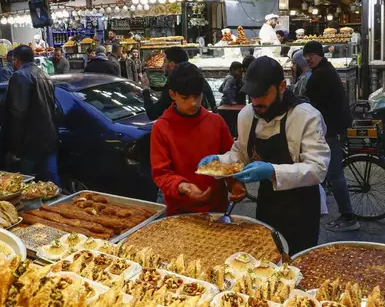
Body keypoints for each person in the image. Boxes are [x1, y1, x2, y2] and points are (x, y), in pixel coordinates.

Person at [199, 56, 330, 253]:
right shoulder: (247, 115)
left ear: (282, 86)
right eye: (252, 95)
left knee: (299, 262)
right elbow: (241, 153)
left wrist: (271, 170)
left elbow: (317, 168)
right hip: (268, 201)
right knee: (267, 257)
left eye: (263, 94)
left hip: (302, 206)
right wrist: (219, 161)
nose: (256, 102)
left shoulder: (306, 116)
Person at [151, 62, 246, 215]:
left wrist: (234, 182)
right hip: (179, 212)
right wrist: (183, 187)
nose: (193, 103)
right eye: (185, 98)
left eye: (197, 96)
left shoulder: (216, 122)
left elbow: (231, 161)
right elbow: (161, 174)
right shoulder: (162, 128)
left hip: (217, 210)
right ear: (172, 95)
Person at [302, 42, 357, 232]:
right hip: (336, 126)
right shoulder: (325, 69)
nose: (308, 58)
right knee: (330, 171)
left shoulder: (320, 74)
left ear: (319, 55)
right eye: (305, 55)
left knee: (335, 174)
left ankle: (348, 217)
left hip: (332, 129)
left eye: (311, 54)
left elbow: (309, 102)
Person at [2, 45, 60, 185]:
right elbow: (54, 109)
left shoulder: (20, 76)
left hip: (30, 142)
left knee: (22, 184)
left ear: (16, 60)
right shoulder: (45, 76)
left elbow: (18, 113)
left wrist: (14, 147)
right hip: (49, 138)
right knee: (51, 183)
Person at [140, 47, 217, 120]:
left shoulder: (174, 86)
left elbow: (152, 114)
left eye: (165, 61)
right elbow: (210, 97)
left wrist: (145, 89)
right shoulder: (196, 77)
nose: (193, 103)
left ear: (172, 65)